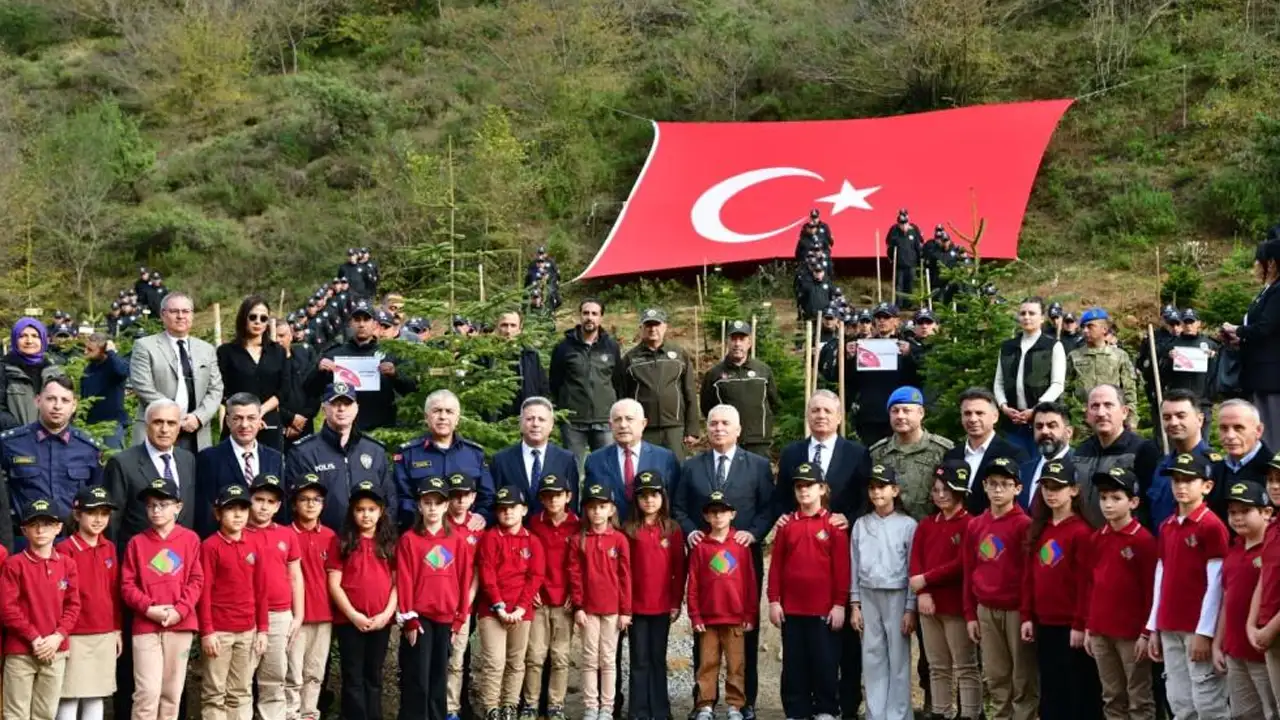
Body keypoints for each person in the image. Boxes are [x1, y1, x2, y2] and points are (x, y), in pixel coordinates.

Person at [772, 389, 869, 717]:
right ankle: (800, 706)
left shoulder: (856, 453)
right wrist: (783, 516)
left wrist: (850, 518)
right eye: (815, 410)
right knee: (799, 654)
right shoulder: (792, 453)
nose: (821, 416)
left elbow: (867, 497)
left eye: (828, 411)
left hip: (841, 546)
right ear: (808, 415)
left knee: (839, 648)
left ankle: (840, 704)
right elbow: (782, 496)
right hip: (799, 546)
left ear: (839, 417)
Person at [672, 405, 772, 719]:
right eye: (713, 423)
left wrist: (753, 533)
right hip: (704, 556)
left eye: (725, 423)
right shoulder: (692, 466)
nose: (718, 428)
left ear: (739, 429)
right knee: (705, 637)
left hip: (743, 556)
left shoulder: (756, 465)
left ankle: (743, 702)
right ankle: (703, 703)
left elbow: (769, 507)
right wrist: (690, 532)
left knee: (745, 633)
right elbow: (678, 507)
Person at [1145, 452, 1229, 719]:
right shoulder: (1167, 526)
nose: (1181, 486)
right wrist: (1152, 626)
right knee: (1179, 699)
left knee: (1208, 701)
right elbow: (1161, 575)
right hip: (1169, 624)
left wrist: (1205, 632)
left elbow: (1217, 583)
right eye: (1176, 480)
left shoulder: (1211, 526)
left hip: (1197, 627)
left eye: (1189, 480)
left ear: (1206, 486)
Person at [1019, 459, 1102, 720]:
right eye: (1046, 487)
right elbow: (1030, 577)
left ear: (1074, 490)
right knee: (1051, 690)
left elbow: (1085, 583)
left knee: (1077, 690)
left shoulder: (1082, 531)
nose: (1051, 493)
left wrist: (1080, 624)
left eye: (1058, 486)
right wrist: (1026, 616)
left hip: (1071, 626)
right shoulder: (1039, 529)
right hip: (1045, 622)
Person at [768, 462, 849, 720]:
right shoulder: (787, 525)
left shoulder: (834, 525)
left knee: (825, 663)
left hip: (823, 609)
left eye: (809, 485)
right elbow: (776, 566)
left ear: (822, 488)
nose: (804, 491)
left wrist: (839, 604)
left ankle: (826, 709)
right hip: (792, 609)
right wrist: (773, 601)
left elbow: (842, 569)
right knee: (794, 665)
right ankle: (797, 709)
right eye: (799, 486)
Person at [121, 476, 205, 720]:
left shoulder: (190, 539)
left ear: (177, 507)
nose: (156, 510)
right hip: (147, 624)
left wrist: (180, 609)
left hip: (180, 623)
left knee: (172, 692)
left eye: (162, 504)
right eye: (150, 505)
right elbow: (127, 585)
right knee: (147, 692)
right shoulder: (137, 542)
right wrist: (149, 609)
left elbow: (196, 580)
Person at [1079, 467, 1157, 720]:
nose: (1108, 504)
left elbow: (1151, 590)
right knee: (1111, 695)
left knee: (1139, 697)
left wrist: (1147, 633)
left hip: (1131, 633)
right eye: (1103, 498)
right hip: (1101, 630)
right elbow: (1092, 584)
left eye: (1116, 498)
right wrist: (1089, 626)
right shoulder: (1097, 538)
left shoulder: (1143, 540)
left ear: (1133, 502)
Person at [963, 456, 1037, 720]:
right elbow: (969, 571)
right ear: (984, 486)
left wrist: (1028, 615)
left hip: (1016, 609)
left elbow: (1030, 574)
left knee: (1023, 677)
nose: (997, 490)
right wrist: (970, 614)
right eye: (992, 484)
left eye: (1005, 484)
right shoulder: (975, 525)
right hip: (986, 608)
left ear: (1017, 488)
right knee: (995, 676)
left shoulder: (1024, 524)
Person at [396, 475, 472, 720]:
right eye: (427, 502)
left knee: (440, 676)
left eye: (438, 503)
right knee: (418, 676)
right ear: (419, 505)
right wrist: (408, 618)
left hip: (446, 618)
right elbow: (404, 580)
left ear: (446, 505)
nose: (432, 508)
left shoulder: (457, 540)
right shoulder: (409, 539)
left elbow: (464, 579)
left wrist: (460, 618)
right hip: (419, 618)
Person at [909, 461, 980, 720]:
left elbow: (962, 564)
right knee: (937, 665)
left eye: (947, 489)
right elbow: (916, 558)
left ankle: (971, 713)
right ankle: (941, 712)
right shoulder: (927, 524)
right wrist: (922, 592)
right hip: (929, 606)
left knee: (965, 665)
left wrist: (926, 580)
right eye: (936, 489)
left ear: (960, 491)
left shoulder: (970, 524)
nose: (941, 495)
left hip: (956, 604)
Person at [0, 376, 105, 551]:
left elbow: (96, 502)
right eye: (51, 399)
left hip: (72, 543)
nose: (57, 406)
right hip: (24, 544)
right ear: (38, 400)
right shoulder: (11, 444)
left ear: (74, 405)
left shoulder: (88, 449)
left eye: (64, 400)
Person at [0, 496, 80, 720]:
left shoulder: (67, 564)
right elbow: (7, 608)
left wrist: (57, 636)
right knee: (16, 713)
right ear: (24, 530)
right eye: (34, 524)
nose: (40, 529)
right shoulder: (14, 564)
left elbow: (73, 605)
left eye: (46, 523)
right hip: (20, 651)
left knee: (45, 713)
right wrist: (34, 637)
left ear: (58, 528)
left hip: (56, 650)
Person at [850, 465, 917, 720]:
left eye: (882, 487)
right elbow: (854, 564)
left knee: (898, 657)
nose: (876, 492)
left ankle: (898, 713)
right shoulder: (861, 524)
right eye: (872, 487)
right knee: (872, 655)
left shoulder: (908, 525)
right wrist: (854, 603)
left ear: (895, 490)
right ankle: (875, 713)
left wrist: (910, 607)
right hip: (868, 594)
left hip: (897, 594)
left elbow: (913, 568)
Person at [198, 483, 268, 720]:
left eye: (242, 509)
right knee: (215, 692)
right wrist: (207, 631)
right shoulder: (209, 546)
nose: (238, 515)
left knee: (241, 690)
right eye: (230, 509)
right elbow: (204, 591)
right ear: (218, 513)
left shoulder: (254, 543)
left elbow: (261, 589)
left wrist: (263, 630)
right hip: (219, 631)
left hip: (248, 629)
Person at [327, 481, 397, 720]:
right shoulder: (342, 542)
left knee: (373, 675)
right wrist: (353, 615)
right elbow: (334, 584)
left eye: (371, 509)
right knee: (353, 675)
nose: (365, 515)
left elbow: (397, 584)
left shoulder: (389, 543)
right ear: (352, 512)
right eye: (360, 509)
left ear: (381, 511)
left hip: (381, 620)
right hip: (350, 621)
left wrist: (387, 614)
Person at [285, 382, 396, 533]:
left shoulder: (375, 451)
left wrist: (384, 536)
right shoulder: (302, 453)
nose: (341, 408)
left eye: (347, 403)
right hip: (321, 543)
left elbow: (389, 500)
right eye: (335, 403)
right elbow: (291, 505)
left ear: (356, 408)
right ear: (324, 409)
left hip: (367, 543)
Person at [686, 490, 758, 720]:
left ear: (733, 514)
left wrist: (750, 614)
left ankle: (735, 706)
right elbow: (693, 582)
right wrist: (695, 615)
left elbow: (750, 582)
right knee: (707, 664)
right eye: (713, 513)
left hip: (735, 617)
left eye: (722, 512)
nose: (718, 517)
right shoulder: (700, 547)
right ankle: (705, 705)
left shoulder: (740, 546)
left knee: (736, 665)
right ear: (706, 517)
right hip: (708, 619)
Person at [476, 486, 544, 720]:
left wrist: (522, 607)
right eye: (502, 509)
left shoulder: (532, 541)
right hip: (492, 610)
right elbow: (487, 573)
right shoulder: (490, 537)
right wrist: (499, 606)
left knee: (516, 661)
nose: (507, 513)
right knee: (495, 661)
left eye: (512, 508)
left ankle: (509, 705)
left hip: (521, 612)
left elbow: (535, 576)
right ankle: (491, 707)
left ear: (524, 510)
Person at [55, 486, 120, 720]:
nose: (99, 519)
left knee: (96, 694)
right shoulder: (63, 549)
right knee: (69, 695)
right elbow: (59, 596)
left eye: (104, 513)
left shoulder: (109, 548)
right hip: (74, 633)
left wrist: (117, 628)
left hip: (103, 632)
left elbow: (113, 591)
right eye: (92, 512)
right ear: (77, 514)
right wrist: (61, 632)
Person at [129, 293, 225, 453]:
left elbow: (215, 389)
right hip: (159, 429)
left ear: (192, 315)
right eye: (174, 311)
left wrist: (198, 417)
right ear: (163, 314)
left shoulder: (206, 350)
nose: (180, 316)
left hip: (196, 433)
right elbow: (142, 387)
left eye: (186, 311)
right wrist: (174, 417)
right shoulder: (145, 346)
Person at [624, 470, 685, 720]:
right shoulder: (628, 530)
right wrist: (624, 606)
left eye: (654, 495)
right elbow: (623, 572)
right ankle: (638, 710)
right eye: (644, 496)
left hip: (662, 605)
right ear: (636, 500)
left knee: (658, 658)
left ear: (663, 497)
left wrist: (675, 602)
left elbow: (679, 570)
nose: (649, 500)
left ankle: (660, 710)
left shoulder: (672, 529)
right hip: (636, 606)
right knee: (639, 659)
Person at [1214, 481, 1277, 719]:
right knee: (1242, 713)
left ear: (1266, 512)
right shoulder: (1234, 549)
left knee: (1272, 711)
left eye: (1245, 511)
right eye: (1232, 512)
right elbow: (1227, 600)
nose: (1238, 518)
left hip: (1262, 651)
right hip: (1235, 651)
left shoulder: (1270, 550)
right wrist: (1217, 643)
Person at [305, 299, 418, 432]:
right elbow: (310, 390)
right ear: (350, 323)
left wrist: (395, 375)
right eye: (357, 320)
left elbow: (412, 389)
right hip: (342, 429)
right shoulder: (334, 354)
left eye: (366, 320)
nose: (361, 324)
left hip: (380, 429)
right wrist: (319, 372)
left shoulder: (390, 354)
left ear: (375, 324)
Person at [569, 484, 631, 720]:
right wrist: (578, 606)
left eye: (602, 507)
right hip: (588, 609)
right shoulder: (578, 540)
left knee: (608, 659)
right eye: (592, 507)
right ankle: (590, 706)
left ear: (611, 510)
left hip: (613, 609)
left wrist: (626, 610)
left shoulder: (619, 539)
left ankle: (607, 706)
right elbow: (574, 575)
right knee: (588, 658)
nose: (597, 512)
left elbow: (626, 576)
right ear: (586, 511)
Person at [522, 472, 581, 720]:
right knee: (535, 655)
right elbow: (525, 559)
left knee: (560, 656)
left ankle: (556, 705)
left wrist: (576, 596)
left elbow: (580, 563)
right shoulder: (534, 523)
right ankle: (530, 704)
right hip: (538, 599)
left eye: (557, 495)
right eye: (547, 496)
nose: (552, 500)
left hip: (564, 601)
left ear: (568, 496)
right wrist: (529, 589)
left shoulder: (577, 524)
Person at [245, 473, 304, 720]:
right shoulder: (238, 532)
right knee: (241, 678)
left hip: (279, 613)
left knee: (274, 676)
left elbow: (296, 576)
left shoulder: (287, 534)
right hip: (244, 615)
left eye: (270, 501)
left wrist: (298, 615)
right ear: (250, 499)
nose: (264, 506)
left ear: (278, 506)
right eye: (259, 499)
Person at [394, 389, 493, 528]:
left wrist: (481, 515)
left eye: (449, 411)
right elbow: (402, 497)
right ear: (426, 417)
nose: (443, 416)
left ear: (457, 418)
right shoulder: (409, 454)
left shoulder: (474, 454)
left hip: (466, 534)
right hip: (423, 533)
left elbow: (487, 496)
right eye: (437, 411)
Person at [1072, 385, 1161, 529]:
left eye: (1108, 405)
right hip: (1089, 540)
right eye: (1095, 406)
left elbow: (1152, 506)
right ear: (1087, 414)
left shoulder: (1143, 450)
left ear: (1124, 412)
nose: (1101, 413)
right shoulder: (1081, 451)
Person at [195, 393, 284, 537]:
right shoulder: (209, 458)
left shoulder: (275, 458)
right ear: (228, 421)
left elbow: (280, 506)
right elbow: (206, 511)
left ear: (260, 419)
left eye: (251, 418)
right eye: (237, 418)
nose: (244, 425)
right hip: (226, 544)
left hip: (266, 543)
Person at [618, 308, 700, 462]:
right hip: (643, 429)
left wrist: (692, 429)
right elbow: (622, 396)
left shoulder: (679, 355)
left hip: (675, 427)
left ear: (665, 327)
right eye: (648, 325)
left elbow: (690, 392)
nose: (652, 329)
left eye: (657, 325)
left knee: (677, 471)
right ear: (641, 328)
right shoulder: (630, 359)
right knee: (646, 472)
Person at [1222, 238, 1280, 450]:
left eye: (1259, 262)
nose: (1255, 267)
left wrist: (1236, 330)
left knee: (1271, 435)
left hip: (1271, 377)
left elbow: (1265, 327)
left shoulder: (1278, 291)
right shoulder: (1267, 290)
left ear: (1271, 263)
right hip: (1256, 374)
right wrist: (1240, 338)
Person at [286, 475, 337, 720]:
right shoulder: (284, 534)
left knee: (315, 672)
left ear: (323, 504)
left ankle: (309, 713)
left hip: (324, 614)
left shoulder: (331, 536)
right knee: (292, 674)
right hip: (293, 616)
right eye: (304, 499)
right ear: (294, 504)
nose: (310, 504)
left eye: (316, 499)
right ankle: (290, 715)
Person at [583, 399, 681, 523]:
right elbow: (588, 504)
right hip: (611, 536)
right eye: (617, 420)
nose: (623, 425)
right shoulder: (595, 460)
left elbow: (675, 503)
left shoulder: (665, 458)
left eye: (629, 419)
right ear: (610, 425)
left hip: (653, 535)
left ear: (643, 423)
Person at [549, 299, 622, 464]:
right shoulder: (563, 347)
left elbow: (618, 381)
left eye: (594, 314)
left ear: (601, 318)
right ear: (580, 316)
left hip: (604, 420)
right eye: (586, 313)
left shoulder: (611, 347)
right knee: (574, 470)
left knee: (606, 468)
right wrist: (563, 410)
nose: (590, 317)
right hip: (573, 422)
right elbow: (555, 381)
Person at [993, 298, 1067, 460]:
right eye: (1023, 313)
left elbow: (1057, 384)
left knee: (1043, 464)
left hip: (1043, 421)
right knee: (1016, 465)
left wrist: (1036, 409)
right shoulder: (1008, 347)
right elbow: (999, 382)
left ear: (1041, 318)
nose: (1027, 317)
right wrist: (1003, 406)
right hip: (1013, 422)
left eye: (1032, 313)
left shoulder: (1053, 346)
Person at [840, 303, 922, 446]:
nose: (882, 321)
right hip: (870, 415)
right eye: (878, 317)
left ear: (896, 321)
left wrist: (909, 356)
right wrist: (849, 358)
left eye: (886, 317)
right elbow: (850, 379)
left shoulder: (908, 346)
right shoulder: (864, 346)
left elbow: (918, 378)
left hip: (900, 414)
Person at [869, 386, 954, 520]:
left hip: (931, 528)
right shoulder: (879, 452)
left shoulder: (941, 450)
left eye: (906, 411)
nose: (900, 416)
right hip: (890, 531)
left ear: (921, 413)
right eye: (895, 411)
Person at [700, 319, 780, 459]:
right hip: (727, 441)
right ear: (727, 342)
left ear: (749, 342)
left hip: (758, 442)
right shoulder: (714, 375)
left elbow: (774, 403)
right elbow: (707, 408)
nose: (737, 344)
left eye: (742, 339)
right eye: (733, 339)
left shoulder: (763, 371)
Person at [217, 296, 289, 451]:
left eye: (263, 318)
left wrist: (259, 412)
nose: (258, 322)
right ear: (244, 318)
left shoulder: (278, 352)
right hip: (237, 422)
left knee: (269, 471)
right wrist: (246, 416)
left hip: (269, 421)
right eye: (253, 317)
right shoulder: (226, 352)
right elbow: (221, 390)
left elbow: (284, 389)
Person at [943, 388, 1029, 516]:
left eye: (979, 413)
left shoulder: (1014, 454)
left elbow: (1021, 500)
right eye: (967, 413)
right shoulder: (952, 455)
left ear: (995, 417)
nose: (973, 419)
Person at [492, 397, 580, 515]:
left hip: (553, 531)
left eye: (541, 419)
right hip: (514, 531)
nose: (535, 424)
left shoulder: (566, 459)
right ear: (520, 423)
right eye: (529, 419)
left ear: (551, 424)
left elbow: (571, 506)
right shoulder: (501, 460)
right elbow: (494, 504)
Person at [445, 473, 483, 720]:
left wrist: (465, 602)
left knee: (457, 659)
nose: (460, 500)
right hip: (437, 604)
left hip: (465, 604)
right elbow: (434, 563)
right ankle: (433, 705)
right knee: (436, 660)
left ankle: (452, 708)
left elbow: (479, 569)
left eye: (465, 495)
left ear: (473, 497)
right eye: (455, 495)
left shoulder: (478, 528)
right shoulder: (439, 523)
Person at [1150, 390, 1214, 530]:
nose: (1173, 422)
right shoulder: (1163, 466)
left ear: (1200, 419)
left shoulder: (1214, 466)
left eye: (1180, 416)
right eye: (1167, 417)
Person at [1067, 308, 1141, 416]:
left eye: (1090, 326)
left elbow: (1129, 390)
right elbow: (1066, 389)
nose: (1085, 331)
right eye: (1083, 327)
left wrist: (1131, 417)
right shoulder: (1074, 356)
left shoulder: (1119, 356)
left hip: (1111, 416)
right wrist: (1070, 415)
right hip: (1083, 419)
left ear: (1104, 329)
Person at [1158, 310, 1219, 438]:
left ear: (1199, 323)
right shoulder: (1172, 345)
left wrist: (1213, 359)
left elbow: (1217, 375)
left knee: (1202, 442)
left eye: (1191, 322)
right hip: (1178, 400)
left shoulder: (1210, 345)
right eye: (1185, 322)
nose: (1188, 325)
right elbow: (1162, 375)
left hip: (1202, 402)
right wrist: (1169, 360)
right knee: (1178, 441)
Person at [1210, 399, 1272, 522]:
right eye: (1224, 428)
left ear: (1258, 430)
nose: (1230, 436)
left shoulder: (1273, 471)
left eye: (1238, 428)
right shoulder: (1214, 470)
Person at [0, 318, 66, 431]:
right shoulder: (4, 369)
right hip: (12, 442)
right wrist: (22, 433)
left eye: (35, 336)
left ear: (43, 340)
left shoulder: (54, 371)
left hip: (49, 442)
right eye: (23, 336)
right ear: (15, 339)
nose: (29, 341)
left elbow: (66, 406)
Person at [1016, 401, 1074, 512]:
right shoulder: (1024, 470)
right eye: (1039, 426)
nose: (1044, 431)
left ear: (1069, 432)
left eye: (1052, 426)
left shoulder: (1081, 468)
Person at [493, 311, 550, 420]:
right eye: (504, 325)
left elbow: (542, 387)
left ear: (520, 328)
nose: (508, 331)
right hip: (495, 422)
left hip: (525, 419)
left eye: (513, 325)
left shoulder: (531, 355)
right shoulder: (487, 356)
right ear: (497, 327)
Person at [80, 333, 131, 449]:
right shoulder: (89, 368)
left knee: (112, 461)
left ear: (103, 349)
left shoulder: (114, 365)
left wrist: (111, 352)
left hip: (112, 426)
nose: (85, 352)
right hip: (91, 425)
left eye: (90, 349)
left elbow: (122, 371)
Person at [886, 209, 923, 309]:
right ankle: (898, 305)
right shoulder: (894, 231)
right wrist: (891, 259)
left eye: (905, 223)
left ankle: (909, 304)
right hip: (899, 264)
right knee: (899, 285)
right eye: (901, 224)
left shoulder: (914, 230)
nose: (903, 226)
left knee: (910, 285)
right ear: (898, 223)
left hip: (911, 264)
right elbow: (889, 246)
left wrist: (920, 260)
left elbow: (918, 246)